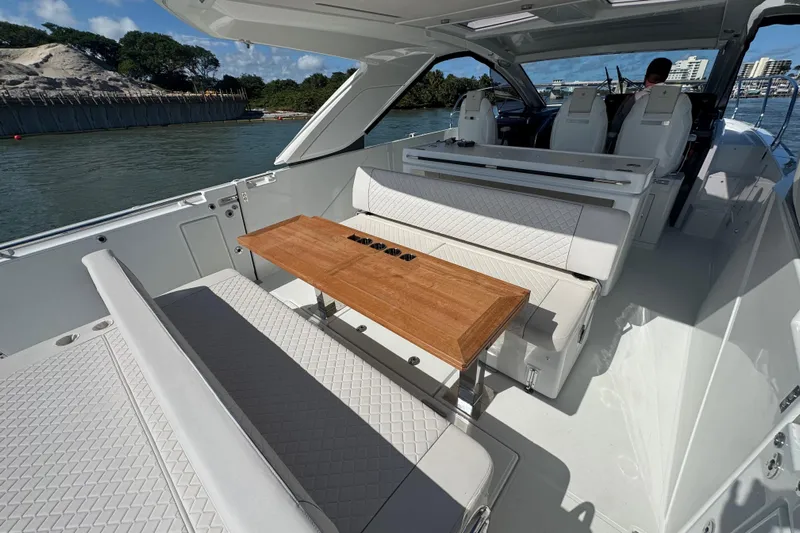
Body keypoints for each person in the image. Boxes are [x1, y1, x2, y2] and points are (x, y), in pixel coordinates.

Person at [606, 57, 673, 151]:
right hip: (662, 150)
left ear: (646, 76)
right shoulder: (679, 100)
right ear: (666, 76)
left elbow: (617, 126)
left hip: (630, 148)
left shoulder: (637, 98)